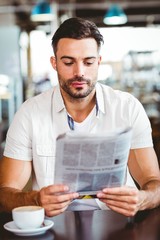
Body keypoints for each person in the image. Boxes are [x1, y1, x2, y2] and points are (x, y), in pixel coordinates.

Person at [0, 17, 160, 218]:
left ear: (99, 62)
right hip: (54, 225)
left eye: (88, 62)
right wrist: (35, 200)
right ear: (54, 63)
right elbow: (4, 194)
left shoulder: (127, 108)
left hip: (117, 224)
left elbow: (154, 183)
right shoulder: (29, 113)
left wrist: (142, 199)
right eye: (68, 62)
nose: (79, 72)